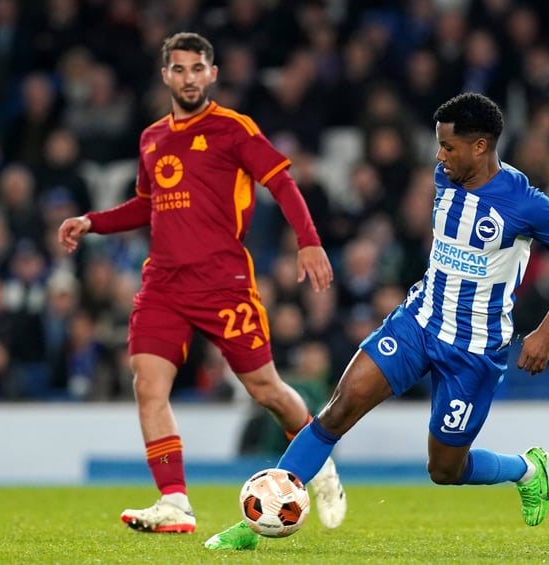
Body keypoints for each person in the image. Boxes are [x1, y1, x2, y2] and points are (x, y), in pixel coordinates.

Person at [205, 92, 549, 550]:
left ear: (480, 146)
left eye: (448, 146)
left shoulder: (526, 204)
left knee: (444, 469)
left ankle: (527, 469)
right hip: (418, 322)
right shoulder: (446, 175)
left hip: (473, 348)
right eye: (439, 145)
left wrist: (546, 331)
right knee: (339, 409)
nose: (439, 156)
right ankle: (257, 524)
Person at [57, 32, 346, 535]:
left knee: (266, 389)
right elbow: (146, 205)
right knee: (148, 384)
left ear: (211, 74)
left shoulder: (234, 129)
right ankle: (174, 501)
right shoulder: (152, 138)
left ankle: (319, 463)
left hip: (223, 282)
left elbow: (281, 182)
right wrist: (92, 222)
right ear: (165, 75)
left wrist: (309, 241)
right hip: (163, 284)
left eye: (197, 69)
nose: (188, 78)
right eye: (179, 69)